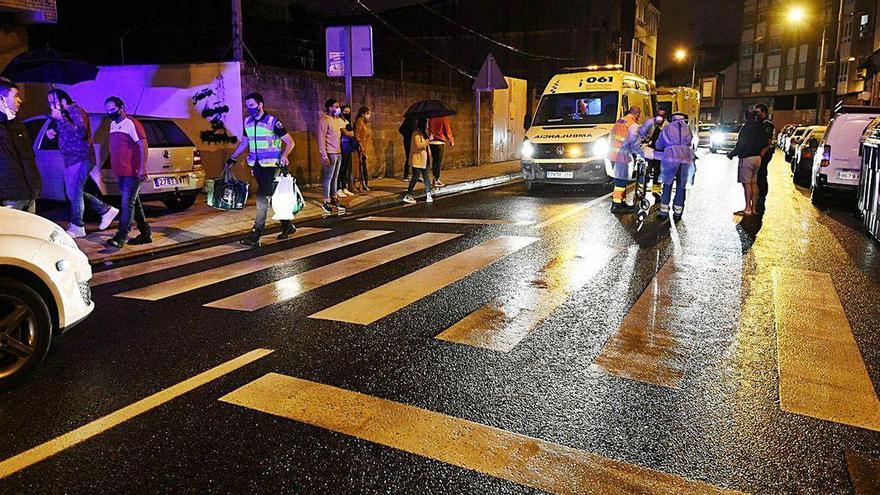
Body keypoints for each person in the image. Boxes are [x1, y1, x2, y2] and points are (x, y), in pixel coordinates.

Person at [225, 92, 296, 247]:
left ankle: (256, 234)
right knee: (273, 198)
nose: (249, 108)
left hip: (272, 166)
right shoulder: (248, 122)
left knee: (261, 198)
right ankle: (287, 226)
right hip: (257, 166)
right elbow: (244, 143)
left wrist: (285, 155)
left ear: (260, 105)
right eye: (247, 106)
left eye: (251, 105)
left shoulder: (273, 122)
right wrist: (233, 158)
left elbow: (290, 142)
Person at [46, 89, 119, 238]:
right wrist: (54, 131)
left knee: (74, 192)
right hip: (71, 159)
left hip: (80, 158)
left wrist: (61, 119)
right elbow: (69, 133)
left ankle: (77, 226)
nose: (51, 106)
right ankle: (105, 210)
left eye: (53, 102)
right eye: (50, 103)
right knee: (73, 193)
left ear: (63, 102)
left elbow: (80, 133)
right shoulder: (66, 114)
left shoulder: (75, 111)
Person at [105, 96, 152, 248]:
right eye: (107, 110)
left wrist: (142, 167)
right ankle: (145, 234)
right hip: (120, 171)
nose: (110, 112)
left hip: (132, 171)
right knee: (134, 203)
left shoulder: (132, 124)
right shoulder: (112, 124)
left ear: (121, 107)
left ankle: (121, 236)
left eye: (112, 109)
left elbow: (142, 144)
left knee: (127, 205)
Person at [0, 80, 40, 213]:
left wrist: (34, 187)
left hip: (29, 193)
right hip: (10, 197)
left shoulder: (17, 124)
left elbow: (27, 157)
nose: (20, 100)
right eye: (15, 95)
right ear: (2, 99)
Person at [654, 113, 697, 221]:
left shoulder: (667, 128)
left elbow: (659, 145)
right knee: (681, 185)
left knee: (667, 183)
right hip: (686, 157)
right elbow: (690, 141)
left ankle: (664, 210)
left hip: (670, 157)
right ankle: (678, 212)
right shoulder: (687, 129)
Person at [727, 111, 767, 216]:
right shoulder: (761, 128)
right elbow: (766, 143)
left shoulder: (745, 128)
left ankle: (747, 209)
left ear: (745, 118)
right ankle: (754, 208)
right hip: (757, 158)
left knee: (747, 184)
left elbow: (741, 145)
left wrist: (732, 154)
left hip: (747, 158)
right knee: (754, 182)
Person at [607, 106, 642, 213]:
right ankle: (616, 205)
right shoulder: (633, 124)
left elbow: (612, 135)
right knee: (621, 180)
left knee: (619, 178)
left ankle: (621, 202)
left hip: (613, 153)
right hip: (622, 154)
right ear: (637, 114)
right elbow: (634, 143)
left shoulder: (620, 121)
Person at [317, 98, 348, 214]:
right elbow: (321, 138)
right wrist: (324, 155)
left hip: (338, 152)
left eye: (338, 106)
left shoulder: (337, 120)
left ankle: (334, 198)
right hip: (330, 153)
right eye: (335, 106)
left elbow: (346, 126)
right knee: (328, 178)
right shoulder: (324, 120)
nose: (337, 108)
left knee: (335, 177)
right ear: (329, 107)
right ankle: (326, 201)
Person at [402, 118, 433, 204]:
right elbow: (419, 145)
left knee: (426, 177)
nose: (427, 126)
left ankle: (428, 194)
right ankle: (408, 195)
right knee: (415, 177)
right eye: (426, 124)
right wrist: (428, 140)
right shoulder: (416, 134)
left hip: (424, 159)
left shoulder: (423, 134)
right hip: (417, 159)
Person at [640, 108, 667, 200]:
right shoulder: (649, 123)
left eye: (661, 116)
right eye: (658, 116)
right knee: (643, 167)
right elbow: (641, 133)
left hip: (659, 150)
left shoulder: (667, 126)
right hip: (648, 147)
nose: (659, 119)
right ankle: (642, 184)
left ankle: (656, 190)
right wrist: (643, 142)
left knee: (658, 171)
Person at [755, 103, 775, 215]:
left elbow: (767, 142)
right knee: (758, 176)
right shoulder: (760, 123)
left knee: (761, 175)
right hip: (759, 153)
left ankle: (761, 200)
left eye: (758, 112)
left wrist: (761, 154)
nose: (757, 115)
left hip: (765, 153)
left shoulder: (767, 124)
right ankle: (758, 198)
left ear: (764, 113)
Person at [428, 115, 454, 188]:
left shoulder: (431, 118)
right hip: (440, 142)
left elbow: (429, 128)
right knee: (438, 162)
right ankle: (436, 179)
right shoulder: (444, 118)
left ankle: (434, 178)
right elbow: (447, 130)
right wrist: (451, 140)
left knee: (434, 161)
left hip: (432, 142)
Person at [337, 104, 356, 198]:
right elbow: (346, 132)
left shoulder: (347, 121)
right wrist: (349, 133)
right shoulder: (339, 121)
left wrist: (350, 133)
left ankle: (344, 187)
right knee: (341, 168)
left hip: (347, 147)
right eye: (345, 112)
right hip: (341, 147)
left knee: (345, 169)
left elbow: (352, 133)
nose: (347, 113)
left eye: (349, 112)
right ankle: (338, 188)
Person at [353, 106, 372, 192]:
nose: (369, 116)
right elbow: (356, 135)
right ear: (362, 114)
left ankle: (363, 185)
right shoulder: (359, 122)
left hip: (363, 147)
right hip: (360, 148)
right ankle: (360, 185)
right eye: (367, 114)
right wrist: (360, 146)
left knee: (362, 166)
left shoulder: (363, 123)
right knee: (359, 167)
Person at [399, 118, 416, 182]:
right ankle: (408, 175)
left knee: (410, 158)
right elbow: (401, 129)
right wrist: (409, 135)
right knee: (410, 158)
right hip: (410, 142)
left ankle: (409, 175)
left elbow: (401, 130)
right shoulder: (414, 121)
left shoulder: (408, 120)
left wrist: (406, 135)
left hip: (408, 141)